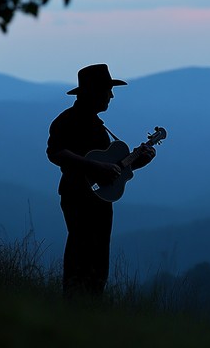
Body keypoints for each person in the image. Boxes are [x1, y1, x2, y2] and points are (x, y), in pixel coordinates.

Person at [46, 64, 156, 298]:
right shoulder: (68, 120)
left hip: (99, 198)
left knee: (97, 253)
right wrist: (94, 166)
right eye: (107, 90)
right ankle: (76, 301)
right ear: (93, 92)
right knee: (81, 249)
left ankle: (90, 302)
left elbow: (111, 169)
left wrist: (135, 162)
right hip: (77, 195)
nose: (111, 96)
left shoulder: (96, 124)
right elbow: (55, 152)